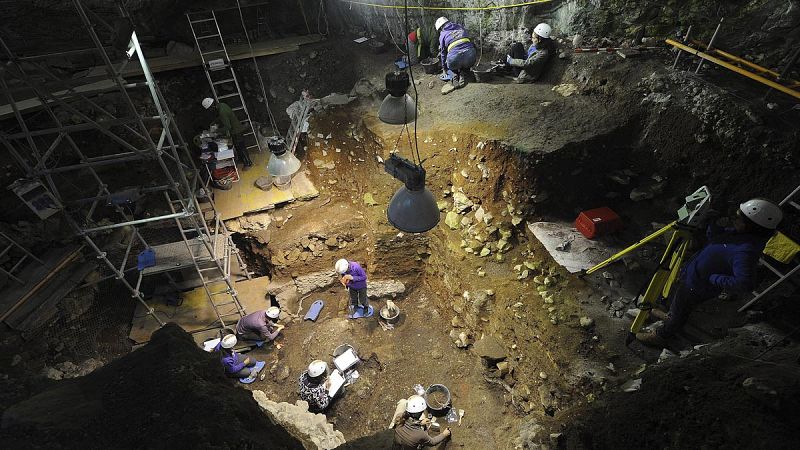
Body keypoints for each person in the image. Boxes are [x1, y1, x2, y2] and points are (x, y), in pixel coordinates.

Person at [637, 198, 783, 348]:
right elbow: (714, 239)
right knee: (678, 301)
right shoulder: (738, 234)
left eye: (739, 218)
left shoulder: (745, 250)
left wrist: (713, 278)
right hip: (693, 276)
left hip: (698, 286)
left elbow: (745, 283)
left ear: (751, 226)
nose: (735, 219)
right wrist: (714, 224)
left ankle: (662, 335)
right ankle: (669, 315)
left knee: (681, 309)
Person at [202, 97, 252, 168]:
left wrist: (216, 131)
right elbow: (223, 117)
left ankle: (248, 163)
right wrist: (215, 121)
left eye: (210, 109)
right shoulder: (222, 105)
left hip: (236, 131)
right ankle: (243, 160)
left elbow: (227, 127)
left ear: (212, 107)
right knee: (239, 147)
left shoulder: (222, 112)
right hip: (237, 127)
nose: (211, 110)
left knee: (241, 147)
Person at [436, 17, 477, 90]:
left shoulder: (442, 34)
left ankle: (453, 76)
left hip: (454, 59)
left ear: (441, 27)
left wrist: (444, 68)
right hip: (471, 56)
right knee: (465, 62)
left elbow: (443, 53)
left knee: (450, 67)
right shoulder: (460, 27)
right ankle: (463, 72)